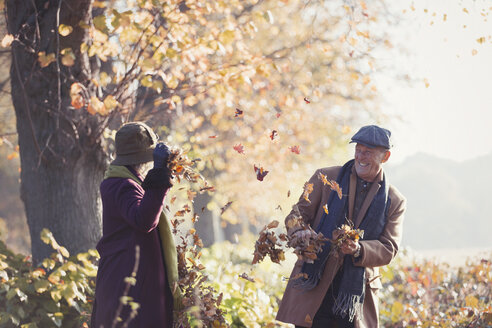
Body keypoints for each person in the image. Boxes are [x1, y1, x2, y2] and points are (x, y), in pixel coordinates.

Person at [276, 125, 407, 328]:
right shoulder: (325, 178)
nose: (361, 156)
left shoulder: (395, 200)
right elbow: (296, 215)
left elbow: (389, 248)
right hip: (314, 283)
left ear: (386, 156)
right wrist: (299, 231)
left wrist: (359, 249)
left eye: (368, 152)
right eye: (358, 149)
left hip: (354, 295)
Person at [91, 122, 178, 328]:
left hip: (131, 279)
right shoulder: (122, 185)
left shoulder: (128, 181)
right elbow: (145, 219)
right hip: (128, 282)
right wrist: (159, 173)